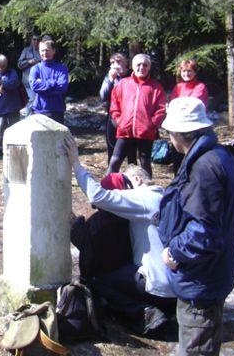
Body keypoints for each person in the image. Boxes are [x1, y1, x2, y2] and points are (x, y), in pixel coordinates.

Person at [62, 135, 176, 336]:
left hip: (157, 285)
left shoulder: (142, 198)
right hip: (178, 286)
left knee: (100, 281)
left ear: (138, 180)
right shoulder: (165, 197)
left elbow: (98, 195)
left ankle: (145, 313)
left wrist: (76, 163)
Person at [158, 97, 234, 355]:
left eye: (169, 133)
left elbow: (204, 231)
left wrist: (174, 252)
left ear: (179, 134)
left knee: (196, 347)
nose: (169, 139)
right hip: (213, 273)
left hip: (201, 279)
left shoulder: (204, 168)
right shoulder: (219, 155)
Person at [108, 53, 165, 176]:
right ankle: (106, 185)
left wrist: (152, 125)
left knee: (145, 163)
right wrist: (118, 121)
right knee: (115, 160)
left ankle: (148, 187)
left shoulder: (156, 87)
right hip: (125, 130)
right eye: (138, 65)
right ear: (133, 66)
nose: (141, 68)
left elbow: (161, 109)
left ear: (149, 67)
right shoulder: (123, 84)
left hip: (145, 132)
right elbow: (114, 105)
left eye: (145, 65)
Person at [99, 52, 134, 163]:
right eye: (112, 62)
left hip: (130, 116)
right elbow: (103, 96)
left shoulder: (133, 75)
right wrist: (110, 80)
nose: (115, 65)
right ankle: (112, 172)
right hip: (113, 115)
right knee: (111, 148)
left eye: (118, 61)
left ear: (126, 62)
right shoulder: (111, 77)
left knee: (131, 152)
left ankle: (133, 171)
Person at [0, 55, 22, 155]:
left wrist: (3, 84)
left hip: (13, 107)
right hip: (1, 108)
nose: (0, 69)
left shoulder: (12, 73)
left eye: (2, 66)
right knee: (1, 129)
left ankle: (15, 149)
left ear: (6, 65)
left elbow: (14, 83)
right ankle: (0, 148)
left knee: (14, 129)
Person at [29, 39, 69, 124]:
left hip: (57, 110)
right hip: (39, 110)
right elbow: (34, 86)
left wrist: (42, 86)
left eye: (47, 50)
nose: (44, 53)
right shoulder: (35, 69)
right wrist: (53, 82)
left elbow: (62, 88)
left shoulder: (62, 68)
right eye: (42, 50)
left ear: (53, 51)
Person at [17, 33, 41, 115]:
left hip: (41, 80)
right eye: (34, 39)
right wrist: (29, 62)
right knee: (33, 98)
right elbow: (19, 65)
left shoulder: (43, 50)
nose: (36, 41)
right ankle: (28, 116)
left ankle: (37, 117)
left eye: (38, 40)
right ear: (31, 40)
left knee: (39, 100)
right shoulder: (26, 50)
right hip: (28, 80)